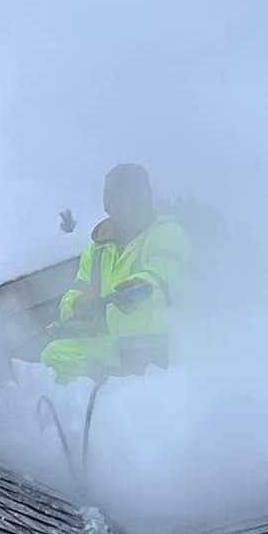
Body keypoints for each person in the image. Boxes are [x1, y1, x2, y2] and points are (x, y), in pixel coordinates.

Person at [41, 163, 189, 383]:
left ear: (146, 200)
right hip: (115, 349)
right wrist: (77, 309)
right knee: (55, 355)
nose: (130, 207)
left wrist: (139, 287)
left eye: (136, 200)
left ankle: (114, 388)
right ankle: (105, 387)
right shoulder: (96, 250)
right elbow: (74, 293)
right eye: (121, 201)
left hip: (159, 349)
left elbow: (163, 277)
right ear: (109, 206)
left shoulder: (166, 234)